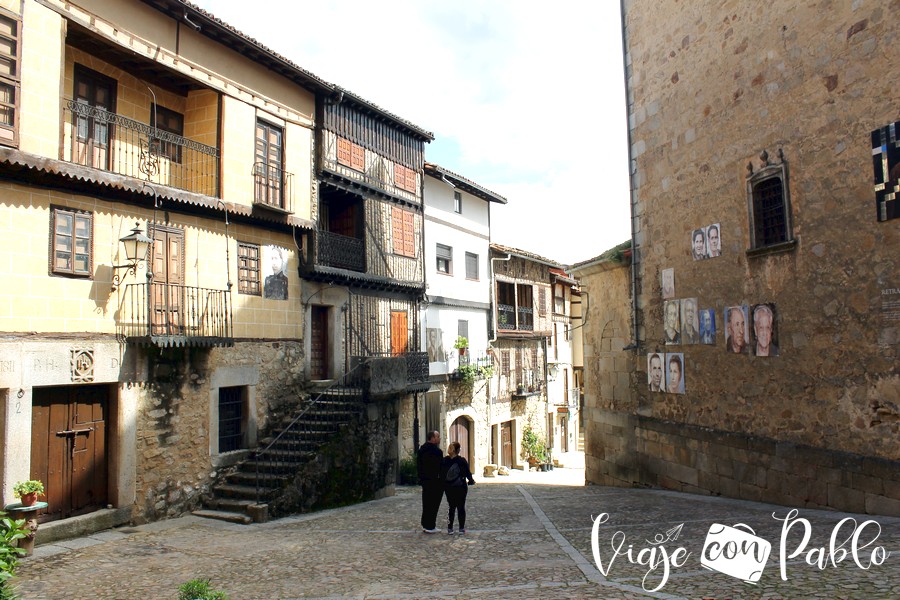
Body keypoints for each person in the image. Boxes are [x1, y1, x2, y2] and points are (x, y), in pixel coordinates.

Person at [441, 441, 475, 535]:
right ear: (458, 450)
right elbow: (468, 473)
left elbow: (442, 474)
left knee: (451, 507)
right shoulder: (461, 461)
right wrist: (471, 480)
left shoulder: (445, 461)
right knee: (461, 507)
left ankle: (450, 528)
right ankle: (461, 528)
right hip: (461, 487)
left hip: (449, 487)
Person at [417, 430, 443, 533]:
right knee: (433, 503)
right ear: (432, 438)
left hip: (425, 481)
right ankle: (430, 525)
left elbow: (419, 466)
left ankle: (425, 524)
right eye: (437, 437)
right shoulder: (437, 452)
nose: (439, 439)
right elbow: (439, 467)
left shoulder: (422, 449)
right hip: (434, 481)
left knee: (426, 502)